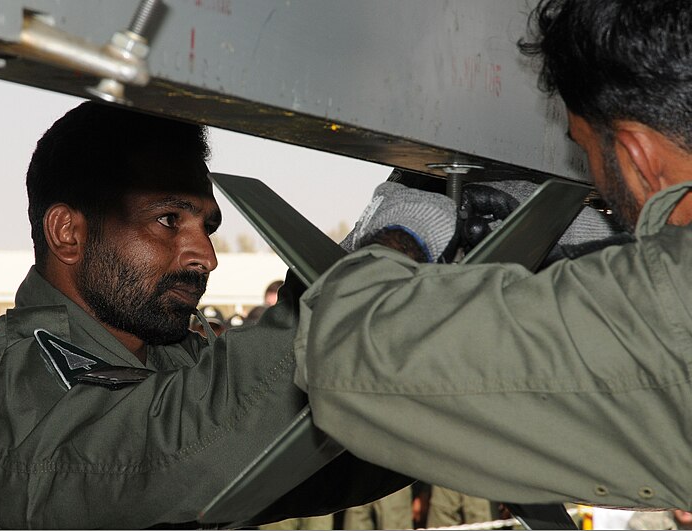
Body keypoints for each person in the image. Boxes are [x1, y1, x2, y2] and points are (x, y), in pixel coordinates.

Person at [0, 102, 409, 530]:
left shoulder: (173, 359)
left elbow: (311, 460)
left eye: (206, 226)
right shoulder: (14, 379)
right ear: (68, 234)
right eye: (169, 220)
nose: (205, 256)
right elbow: (171, 451)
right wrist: (388, 249)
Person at [293, 0, 692, 512]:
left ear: (637, 156)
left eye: (584, 148)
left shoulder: (669, 305)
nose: (592, 178)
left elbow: (345, 351)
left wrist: (408, 226)